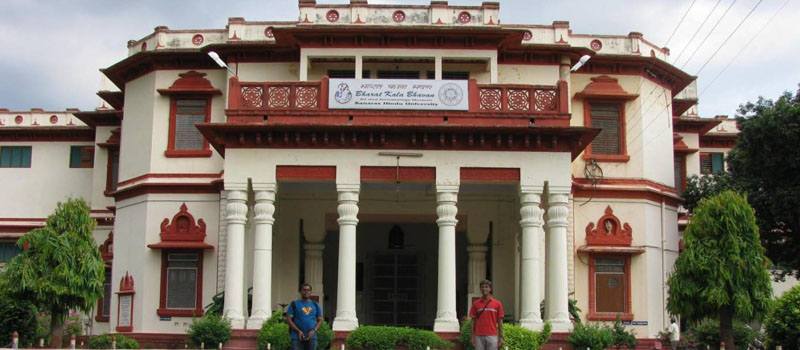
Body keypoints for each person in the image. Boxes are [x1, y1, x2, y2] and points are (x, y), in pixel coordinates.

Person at [286, 283, 323, 350]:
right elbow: (288, 319)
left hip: (311, 336)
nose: (306, 292)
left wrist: (314, 330)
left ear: (311, 292)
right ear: (300, 291)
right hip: (296, 336)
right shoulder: (294, 304)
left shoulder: (316, 305)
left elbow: (320, 320)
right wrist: (298, 331)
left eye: (308, 290)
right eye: (304, 290)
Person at [469, 280, 504, 350]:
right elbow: (473, 321)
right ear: (480, 289)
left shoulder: (497, 303)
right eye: (482, 287)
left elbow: (500, 321)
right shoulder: (475, 304)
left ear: (490, 289)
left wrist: (501, 337)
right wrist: (472, 337)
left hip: (492, 335)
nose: (484, 289)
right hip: (478, 335)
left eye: (486, 287)